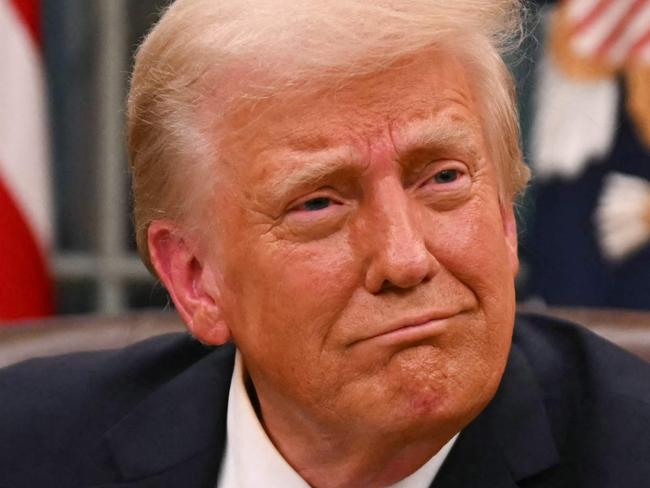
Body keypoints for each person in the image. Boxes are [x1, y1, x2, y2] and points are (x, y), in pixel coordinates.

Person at [1, 0, 649, 486]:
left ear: (507, 217)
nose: (404, 258)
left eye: (443, 178)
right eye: (318, 202)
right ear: (196, 277)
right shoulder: (27, 445)